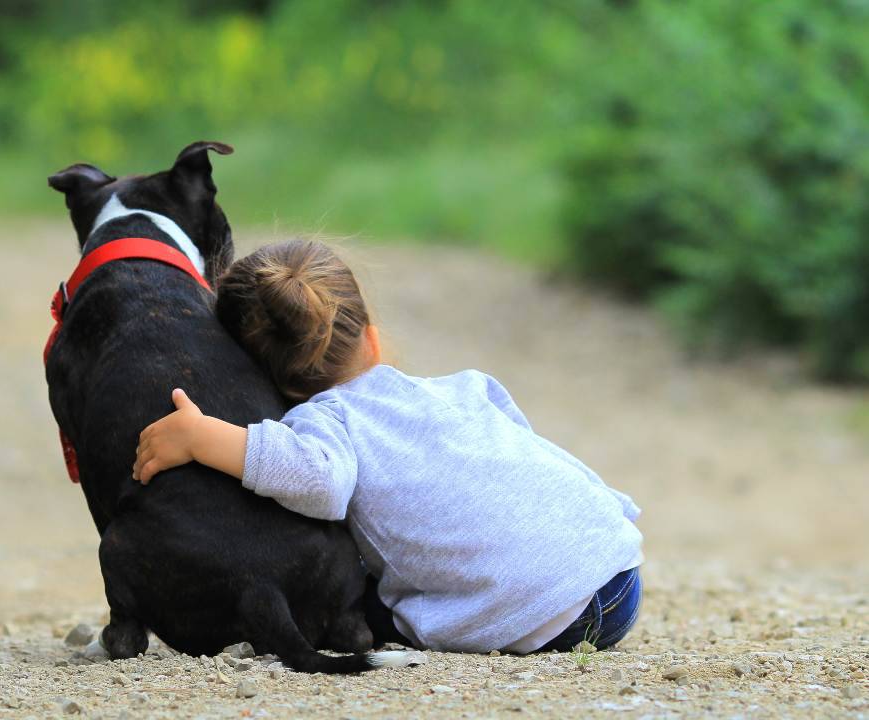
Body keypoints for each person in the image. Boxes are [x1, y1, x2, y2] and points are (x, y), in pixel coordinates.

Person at [132, 239, 643, 654]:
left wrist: (206, 437)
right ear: (371, 339)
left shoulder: (326, 420)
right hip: (616, 570)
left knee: (356, 604)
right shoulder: (466, 386)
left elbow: (319, 481)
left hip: (550, 619)